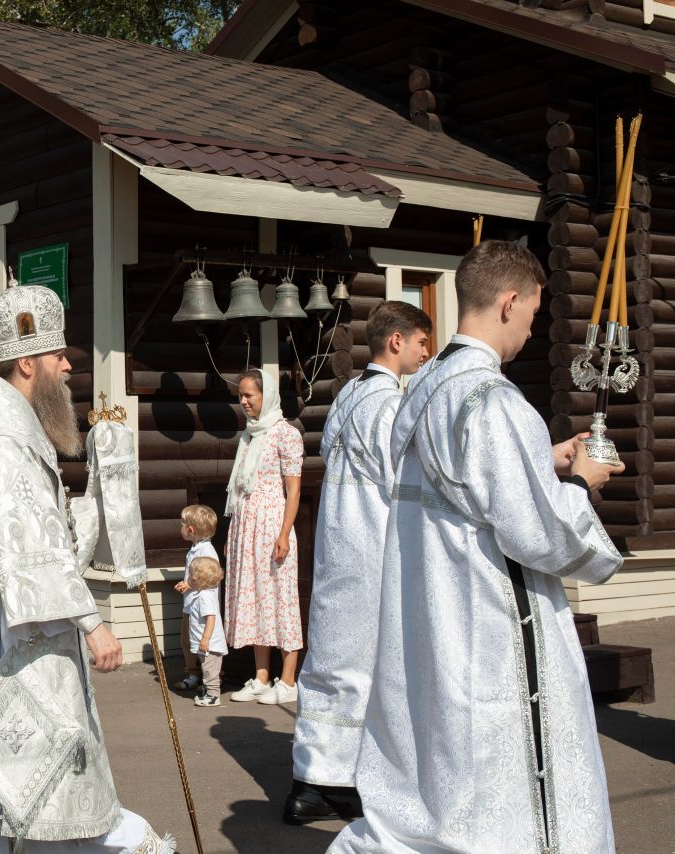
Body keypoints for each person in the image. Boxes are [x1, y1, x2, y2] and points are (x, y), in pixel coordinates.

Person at [330, 241, 624, 853]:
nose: (530, 330)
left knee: (441, 776)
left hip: (431, 610)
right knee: (497, 783)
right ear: (510, 302)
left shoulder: (423, 389)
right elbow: (536, 532)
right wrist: (578, 482)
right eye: (534, 315)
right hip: (487, 616)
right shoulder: (493, 399)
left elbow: (459, 484)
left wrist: (543, 460)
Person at [0, 284, 171, 854]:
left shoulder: (15, 438)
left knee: (34, 808)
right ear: (27, 362)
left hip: (23, 642)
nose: (68, 364)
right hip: (17, 653)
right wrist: (94, 623)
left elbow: (45, 535)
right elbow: (27, 553)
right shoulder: (5, 444)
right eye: (58, 355)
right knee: (35, 806)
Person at [284, 301, 432, 825]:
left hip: (336, 545)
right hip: (372, 546)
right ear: (396, 341)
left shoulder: (346, 395)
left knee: (329, 662)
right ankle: (346, 781)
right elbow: (403, 479)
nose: (425, 353)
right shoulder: (390, 403)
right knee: (369, 666)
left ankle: (316, 779)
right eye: (420, 342)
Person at [223, 367, 304, 705]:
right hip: (247, 526)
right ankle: (261, 676)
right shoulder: (250, 435)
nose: (243, 402)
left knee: (280, 598)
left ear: (265, 396)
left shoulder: (285, 434)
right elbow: (240, 489)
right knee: (257, 599)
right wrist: (232, 535)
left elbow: (294, 488)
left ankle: (288, 680)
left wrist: (284, 533)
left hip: (273, 525)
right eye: (241, 396)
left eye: (249, 396)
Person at [172, 504, 219, 692]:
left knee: (203, 642)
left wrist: (190, 584)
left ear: (190, 530)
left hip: (202, 607)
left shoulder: (206, 551)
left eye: (182, 523)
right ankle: (193, 674)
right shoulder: (195, 548)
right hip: (190, 605)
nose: (181, 526)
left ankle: (209, 679)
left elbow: (212, 575)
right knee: (187, 640)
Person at [187, 556, 228, 709]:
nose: (189, 578)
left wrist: (205, 639)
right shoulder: (204, 594)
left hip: (211, 644)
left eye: (191, 575)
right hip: (208, 644)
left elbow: (211, 618)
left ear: (198, 579)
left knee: (211, 671)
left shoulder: (205, 597)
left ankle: (214, 696)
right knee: (207, 669)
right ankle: (209, 691)